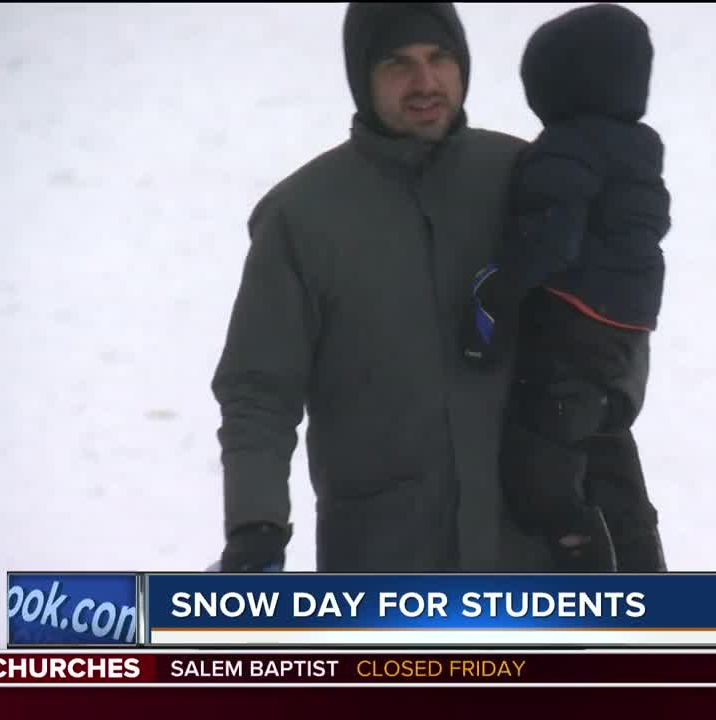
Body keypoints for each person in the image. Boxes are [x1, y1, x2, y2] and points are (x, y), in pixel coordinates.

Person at [210, 2, 560, 573]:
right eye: (398, 63)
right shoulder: (301, 219)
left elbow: (608, 326)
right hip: (381, 559)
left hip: (531, 553)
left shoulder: (527, 180)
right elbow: (258, 392)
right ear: (361, 77)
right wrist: (256, 528)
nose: (425, 83)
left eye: (439, 58)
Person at [461, 3, 670, 572]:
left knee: (540, 457)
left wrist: (493, 296)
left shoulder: (565, 149)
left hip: (569, 323)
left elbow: (549, 240)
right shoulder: (639, 151)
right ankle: (642, 561)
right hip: (627, 334)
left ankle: (583, 560)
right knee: (605, 438)